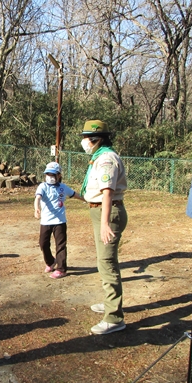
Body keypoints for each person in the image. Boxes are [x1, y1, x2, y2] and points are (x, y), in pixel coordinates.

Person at [79, 120, 128, 335]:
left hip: (107, 211)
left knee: (107, 263)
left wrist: (105, 223)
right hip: (100, 210)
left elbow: (107, 191)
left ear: (96, 139)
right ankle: (110, 304)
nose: (83, 142)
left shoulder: (106, 159)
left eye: (85, 137)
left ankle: (114, 317)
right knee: (104, 261)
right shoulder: (99, 157)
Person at [34, 161, 85, 279]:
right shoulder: (43, 186)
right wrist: (37, 208)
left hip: (60, 221)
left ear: (59, 175)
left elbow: (75, 195)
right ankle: (51, 262)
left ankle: (61, 269)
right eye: (48, 175)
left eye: (53, 175)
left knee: (60, 245)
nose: (50, 177)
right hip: (46, 221)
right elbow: (37, 198)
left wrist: (88, 200)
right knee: (43, 243)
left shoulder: (63, 188)